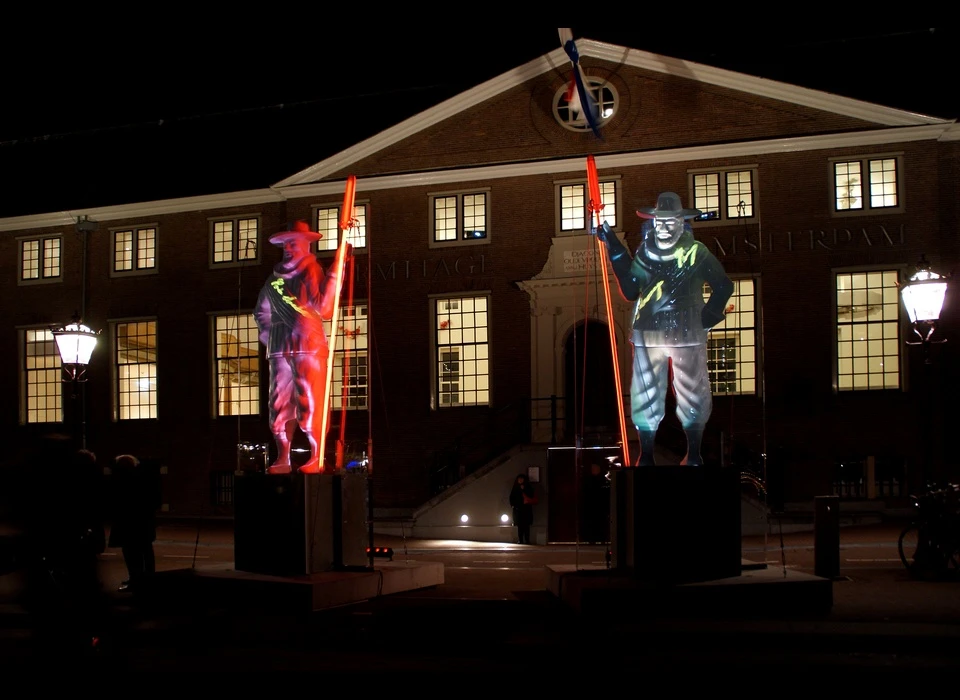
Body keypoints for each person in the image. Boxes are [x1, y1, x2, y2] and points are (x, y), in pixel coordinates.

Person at [591, 191, 733, 466]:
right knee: (646, 393)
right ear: (653, 222)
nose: (664, 227)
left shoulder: (697, 253)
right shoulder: (646, 252)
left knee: (692, 391)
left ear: (682, 222)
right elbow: (632, 289)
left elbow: (724, 285)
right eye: (660, 222)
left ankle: (693, 453)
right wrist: (613, 245)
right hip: (650, 331)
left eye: (670, 222)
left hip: (685, 332)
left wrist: (708, 317)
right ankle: (646, 454)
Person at [254, 220, 348, 474]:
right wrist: (269, 333)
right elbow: (261, 311)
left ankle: (316, 455)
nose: (287, 247)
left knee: (311, 398)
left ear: (306, 244)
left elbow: (325, 308)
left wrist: (336, 271)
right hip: (279, 347)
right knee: (278, 402)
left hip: (308, 343)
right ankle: (282, 456)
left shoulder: (311, 271)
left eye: (292, 242)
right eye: (285, 243)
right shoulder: (272, 279)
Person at [108, 454, 156, 593]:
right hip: (144, 524)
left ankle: (136, 579)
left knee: (131, 553)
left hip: (128, 524)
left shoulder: (121, 481)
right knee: (146, 551)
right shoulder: (144, 479)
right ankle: (147, 578)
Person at [509, 473, 536, 544]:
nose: (520, 480)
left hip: (526, 508)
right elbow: (512, 497)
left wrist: (524, 490)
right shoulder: (515, 487)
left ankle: (527, 540)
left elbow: (531, 495)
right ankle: (520, 540)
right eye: (519, 479)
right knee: (520, 526)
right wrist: (513, 505)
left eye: (521, 479)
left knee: (526, 525)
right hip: (518, 509)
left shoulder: (528, 487)